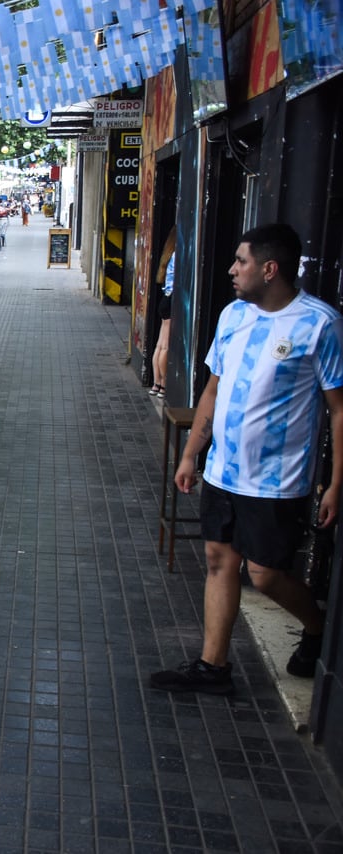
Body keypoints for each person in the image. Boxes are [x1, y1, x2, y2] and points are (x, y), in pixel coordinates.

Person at [150, 224, 343, 695]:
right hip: (223, 470)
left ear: (270, 269)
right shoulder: (234, 315)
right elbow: (213, 390)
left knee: (266, 574)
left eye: (241, 262)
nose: (233, 270)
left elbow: (338, 409)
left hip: (277, 480)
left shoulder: (320, 324)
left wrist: (336, 483)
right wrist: (191, 454)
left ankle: (316, 627)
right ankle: (212, 667)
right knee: (219, 560)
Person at [150, 225, 178, 398]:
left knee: (160, 344)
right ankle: (163, 385)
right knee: (166, 345)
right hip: (171, 301)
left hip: (164, 300)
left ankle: (155, 383)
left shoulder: (168, 255)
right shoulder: (178, 255)